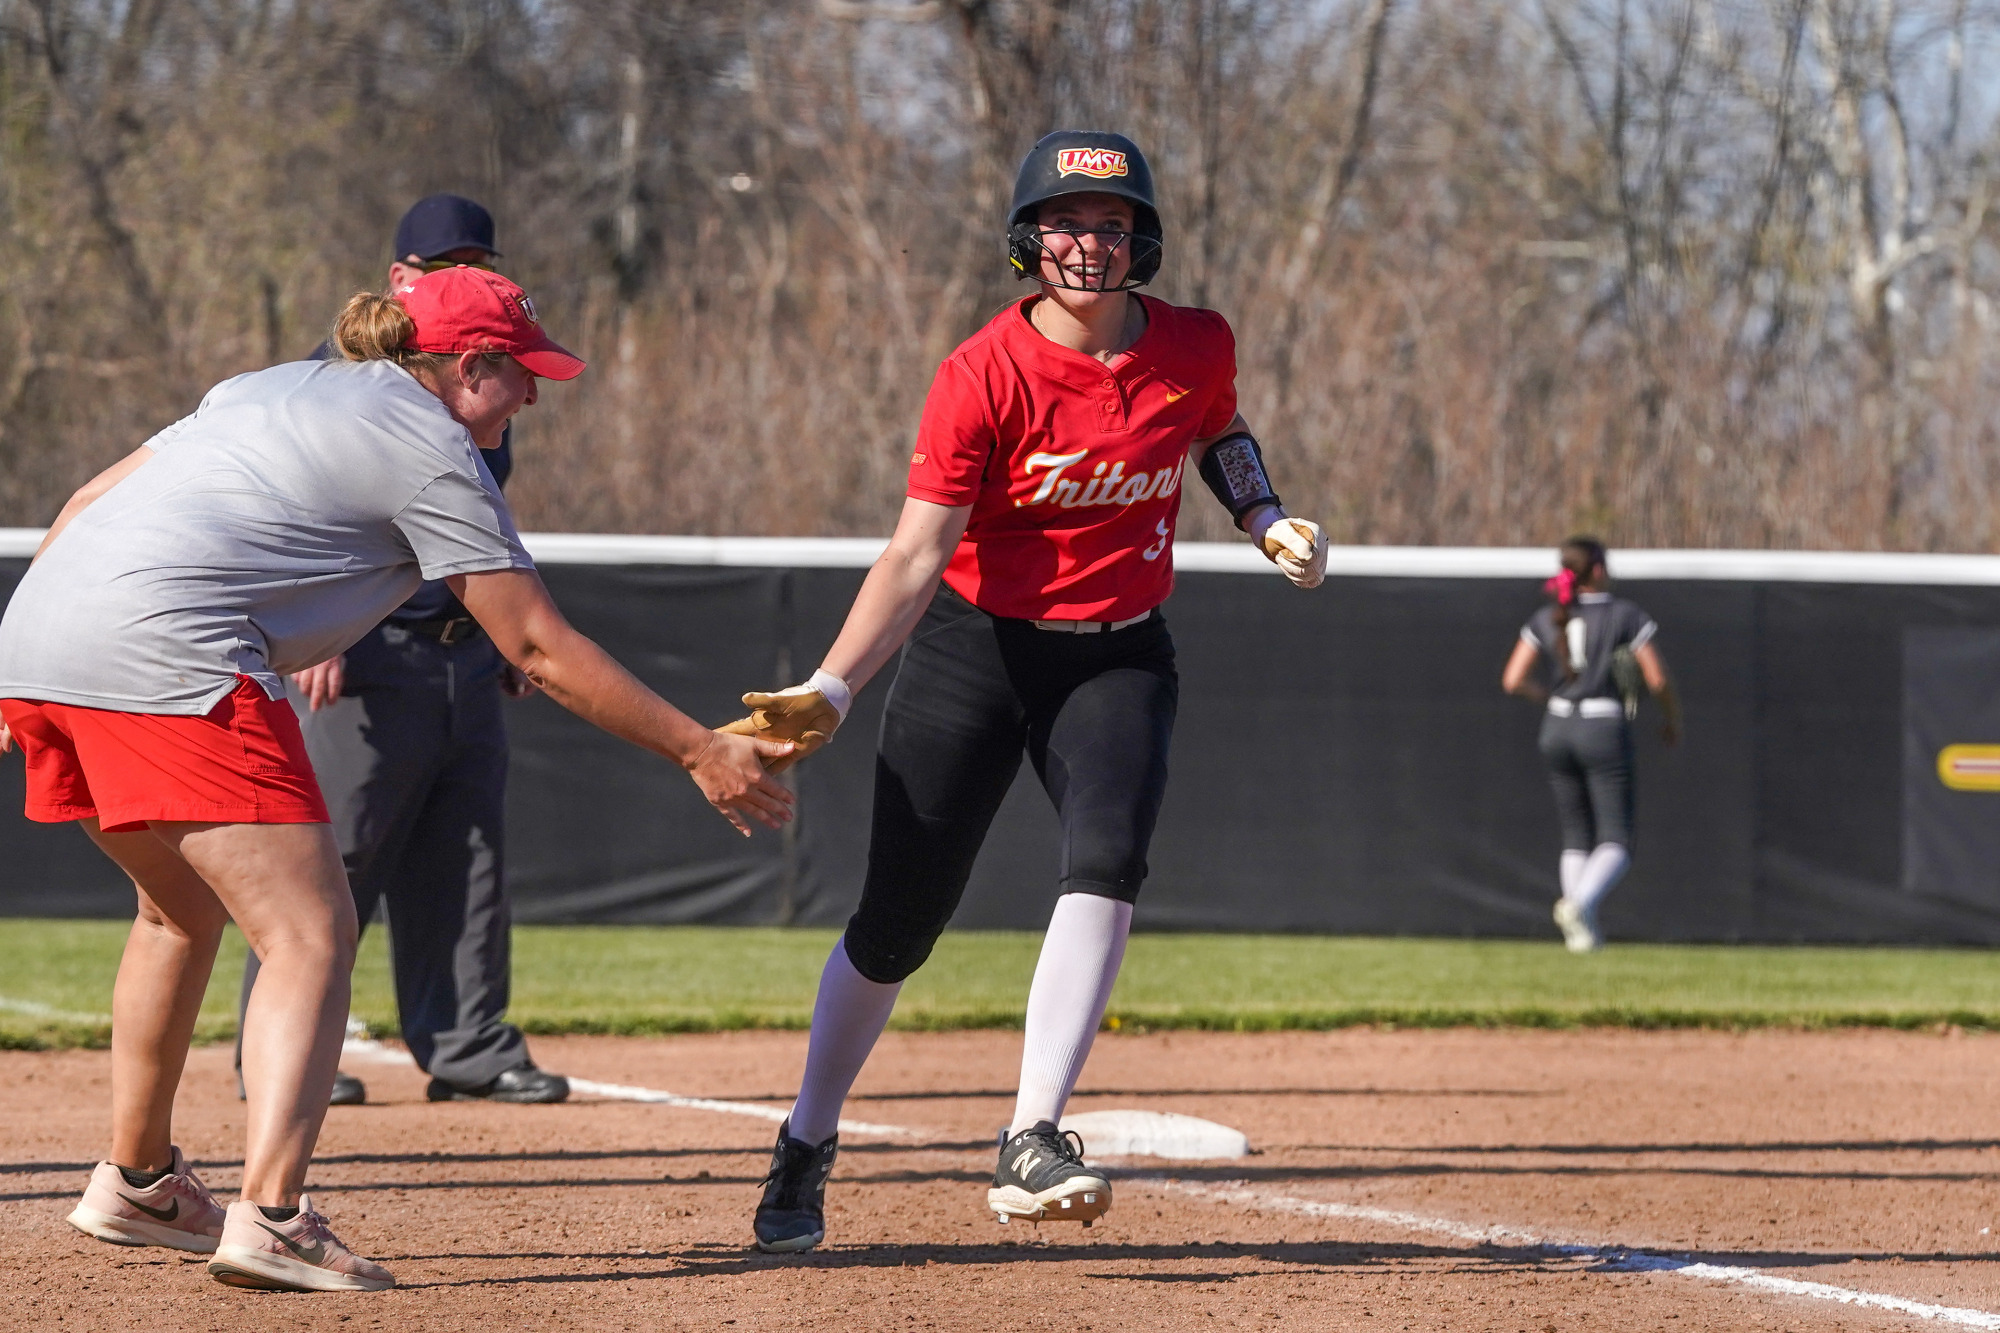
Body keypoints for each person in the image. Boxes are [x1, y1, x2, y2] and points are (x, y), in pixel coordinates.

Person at [0, 266, 795, 1292]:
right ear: (467, 367)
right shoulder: (432, 448)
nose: (532, 396)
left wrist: (22, 664)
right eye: (521, 373)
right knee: (311, 932)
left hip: (41, 642)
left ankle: (142, 1179)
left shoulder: (272, 384)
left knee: (177, 912)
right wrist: (699, 747)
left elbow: (82, 502)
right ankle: (275, 1215)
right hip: (172, 651)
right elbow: (540, 646)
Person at [725, 130, 1328, 1253]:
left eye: (1109, 224)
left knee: (1107, 858)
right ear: (1026, 238)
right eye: (1064, 221)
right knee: (897, 922)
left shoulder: (1193, 343)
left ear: (1140, 238)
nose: (1088, 243)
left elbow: (1217, 429)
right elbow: (911, 558)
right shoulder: (980, 373)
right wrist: (833, 684)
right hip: (975, 647)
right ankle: (806, 1135)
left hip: (1117, 653)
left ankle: (1031, 1134)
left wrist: (1261, 513)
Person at [236, 194, 565, 1108]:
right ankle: (278, 1044)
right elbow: (296, 511)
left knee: (468, 854)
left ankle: (468, 1043)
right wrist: (308, 629)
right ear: (400, 278)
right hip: (361, 654)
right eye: (445, 262)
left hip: (460, 649)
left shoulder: (478, 369)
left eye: (480, 261)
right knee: (331, 856)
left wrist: (509, 627)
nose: (467, 275)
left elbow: (484, 519)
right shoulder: (343, 374)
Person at [1501, 536, 1681, 952]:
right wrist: (1673, 718)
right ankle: (1578, 904)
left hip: (1558, 726)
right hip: (1603, 725)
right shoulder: (1624, 614)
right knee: (1616, 837)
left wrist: (1552, 697)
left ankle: (1580, 935)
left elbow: (1513, 680)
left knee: (1576, 833)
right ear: (1597, 569)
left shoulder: (1549, 616)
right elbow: (1657, 679)